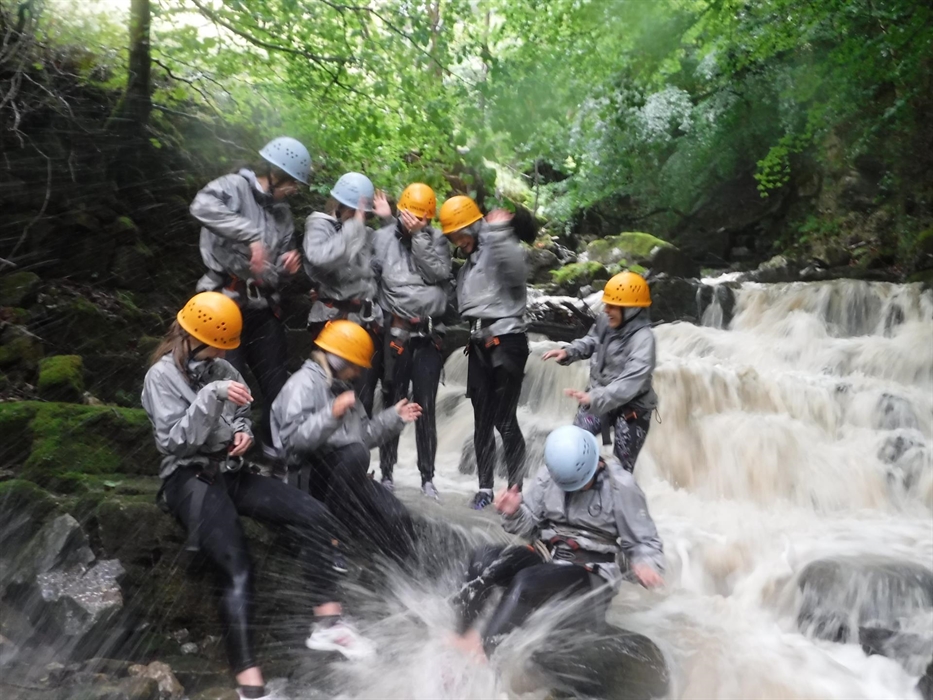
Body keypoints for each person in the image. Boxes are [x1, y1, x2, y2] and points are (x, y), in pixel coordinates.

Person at [141, 293, 373, 700]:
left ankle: (328, 622)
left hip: (231, 471)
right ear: (198, 338)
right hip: (188, 476)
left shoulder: (224, 367)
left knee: (315, 514)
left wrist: (244, 433)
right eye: (220, 344)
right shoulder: (160, 378)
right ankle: (250, 685)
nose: (224, 352)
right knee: (238, 565)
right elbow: (175, 441)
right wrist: (211, 397)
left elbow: (244, 413)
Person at [449, 425, 664, 660]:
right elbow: (530, 526)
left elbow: (645, 542)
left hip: (591, 573)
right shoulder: (549, 474)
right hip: (548, 558)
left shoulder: (621, 486)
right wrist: (513, 512)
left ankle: (484, 654)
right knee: (484, 559)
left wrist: (646, 564)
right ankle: (462, 635)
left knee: (527, 582)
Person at [189, 137, 310, 458]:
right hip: (222, 303)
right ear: (276, 173)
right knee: (228, 385)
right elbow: (201, 206)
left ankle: (277, 454)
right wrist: (250, 234)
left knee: (277, 385)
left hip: (261, 308)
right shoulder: (232, 187)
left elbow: (277, 267)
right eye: (293, 183)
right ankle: (224, 457)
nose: (295, 190)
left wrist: (287, 267)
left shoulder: (283, 215)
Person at [270, 319, 421, 562]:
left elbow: (362, 437)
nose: (360, 372)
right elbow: (293, 444)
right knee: (356, 456)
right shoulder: (302, 385)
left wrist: (393, 418)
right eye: (357, 366)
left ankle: (405, 576)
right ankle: (332, 533)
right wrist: (331, 414)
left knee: (397, 516)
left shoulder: (341, 388)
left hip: (343, 477)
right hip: (310, 476)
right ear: (340, 360)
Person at [440, 195, 529, 510]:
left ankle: (515, 488)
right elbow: (457, 305)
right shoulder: (469, 265)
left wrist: (498, 232)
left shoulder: (499, 247)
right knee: (482, 420)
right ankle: (484, 488)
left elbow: (518, 274)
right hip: (478, 343)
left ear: (475, 226)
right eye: (453, 237)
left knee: (505, 419)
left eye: (460, 233)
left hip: (507, 341)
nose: (457, 241)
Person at [371, 184, 451, 498]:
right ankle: (387, 471)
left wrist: (418, 236)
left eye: (420, 218)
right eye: (408, 215)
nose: (412, 220)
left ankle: (427, 477)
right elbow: (373, 276)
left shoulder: (438, 241)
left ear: (429, 218)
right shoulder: (382, 238)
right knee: (393, 401)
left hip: (428, 337)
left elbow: (437, 273)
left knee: (426, 407)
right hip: (396, 335)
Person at [542, 271, 657, 473]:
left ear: (631, 309)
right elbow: (593, 340)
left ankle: (614, 500)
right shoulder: (606, 320)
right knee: (571, 447)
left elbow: (631, 382)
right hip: (598, 396)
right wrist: (569, 351)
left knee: (621, 470)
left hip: (631, 407)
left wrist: (594, 397)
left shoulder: (644, 339)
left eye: (612, 306)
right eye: (606, 304)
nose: (606, 310)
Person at [303, 172, 383, 417]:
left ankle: (357, 445)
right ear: (338, 205)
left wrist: (387, 219)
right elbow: (321, 258)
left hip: (364, 321)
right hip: (333, 319)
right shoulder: (319, 225)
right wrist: (354, 227)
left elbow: (390, 255)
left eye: (363, 213)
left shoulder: (366, 233)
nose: (359, 216)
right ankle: (324, 442)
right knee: (329, 384)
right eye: (352, 210)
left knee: (363, 391)